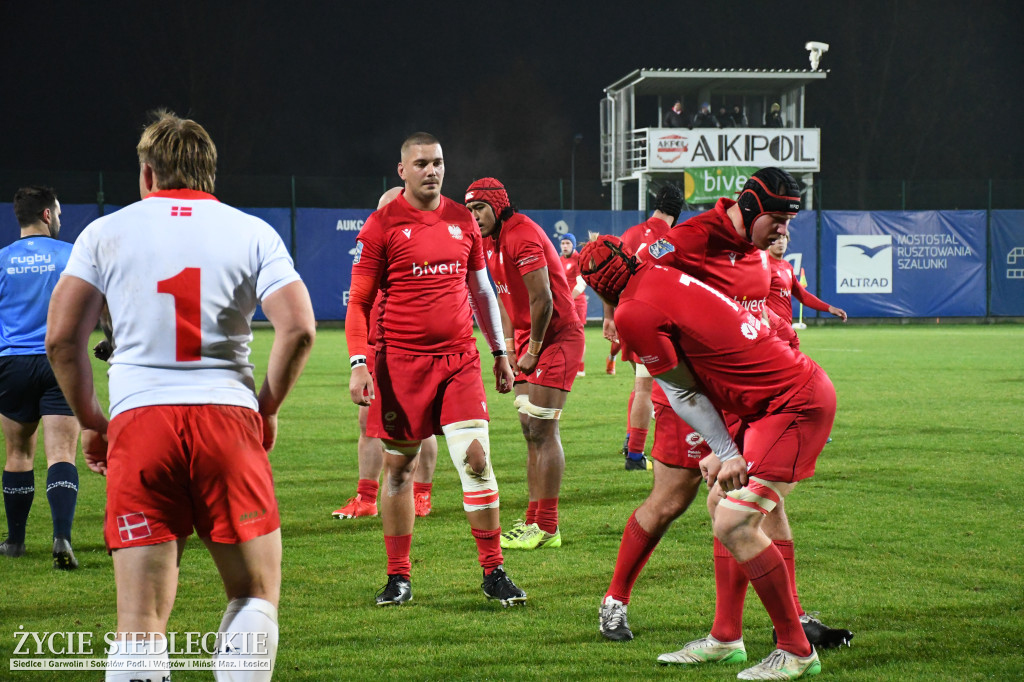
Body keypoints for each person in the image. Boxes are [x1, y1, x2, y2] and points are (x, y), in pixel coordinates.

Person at [46, 110, 316, 680]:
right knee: (253, 595)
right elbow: (299, 328)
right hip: (227, 422)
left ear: (147, 174)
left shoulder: (104, 232)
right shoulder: (252, 231)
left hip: (141, 424)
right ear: (209, 174)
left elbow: (63, 341)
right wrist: (264, 407)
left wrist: (95, 419)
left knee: (139, 621)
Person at [580, 235, 836, 680]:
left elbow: (682, 389)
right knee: (719, 502)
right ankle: (725, 637)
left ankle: (795, 646)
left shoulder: (641, 301)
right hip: (755, 403)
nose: (779, 235)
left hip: (782, 404)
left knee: (735, 518)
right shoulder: (666, 266)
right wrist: (726, 447)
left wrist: (725, 448)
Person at [642, 168, 854, 651]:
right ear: (752, 208)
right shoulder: (690, 239)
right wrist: (619, 317)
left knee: (747, 510)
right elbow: (638, 275)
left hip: (762, 396)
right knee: (726, 506)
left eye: (790, 221)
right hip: (708, 397)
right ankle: (743, 633)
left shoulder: (759, 258)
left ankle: (776, 628)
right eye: (777, 219)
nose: (784, 231)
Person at [347, 133, 526, 607]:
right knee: (400, 471)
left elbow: (482, 290)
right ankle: (398, 577)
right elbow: (360, 301)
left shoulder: (463, 220)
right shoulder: (381, 225)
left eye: (439, 162)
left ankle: (494, 572)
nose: (432, 170)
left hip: (459, 361)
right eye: (422, 163)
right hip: (398, 367)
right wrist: (359, 361)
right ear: (402, 170)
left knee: (477, 461)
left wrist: (500, 353)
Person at [465, 178, 585, 551]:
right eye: (469, 210)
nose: (474, 216)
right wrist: (507, 348)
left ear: (499, 205)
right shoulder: (487, 242)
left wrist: (532, 348)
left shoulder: (522, 234)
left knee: (543, 429)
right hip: (524, 340)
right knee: (529, 430)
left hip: (557, 337)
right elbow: (499, 299)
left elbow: (543, 300)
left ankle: (548, 527)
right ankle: (534, 519)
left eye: (480, 208)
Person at [333, 188, 437, 520]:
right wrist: (359, 360)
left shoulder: (425, 250)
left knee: (422, 426)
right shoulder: (374, 248)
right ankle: (366, 498)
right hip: (376, 347)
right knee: (367, 423)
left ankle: (422, 495)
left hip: (415, 348)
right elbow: (359, 306)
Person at [0, 186, 81, 569]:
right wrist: (109, 342)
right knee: (62, 453)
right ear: (47, 215)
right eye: (59, 212)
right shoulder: (70, 256)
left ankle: (15, 542)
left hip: (12, 365)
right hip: (60, 361)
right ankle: (61, 537)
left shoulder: (1, 261)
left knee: (17, 454)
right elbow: (98, 305)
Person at [603, 184, 683, 471]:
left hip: (628, 318)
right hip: (660, 323)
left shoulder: (630, 234)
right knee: (671, 390)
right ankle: (640, 455)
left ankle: (632, 444)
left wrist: (609, 316)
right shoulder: (674, 238)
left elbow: (608, 274)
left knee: (642, 386)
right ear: (677, 212)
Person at [768, 234, 847, 349]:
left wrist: (829, 308)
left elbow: (803, 295)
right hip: (772, 331)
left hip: (786, 330)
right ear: (768, 242)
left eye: (783, 237)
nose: (780, 241)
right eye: (776, 238)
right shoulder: (764, 267)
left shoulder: (787, 267)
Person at [557, 232, 589, 375]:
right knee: (563, 335)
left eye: (568, 243)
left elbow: (581, 283)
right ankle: (566, 364)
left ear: (573, 245)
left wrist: (569, 298)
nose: (565, 246)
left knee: (578, 336)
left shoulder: (578, 259)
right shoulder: (559, 260)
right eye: (563, 243)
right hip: (564, 304)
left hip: (577, 303)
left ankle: (580, 368)